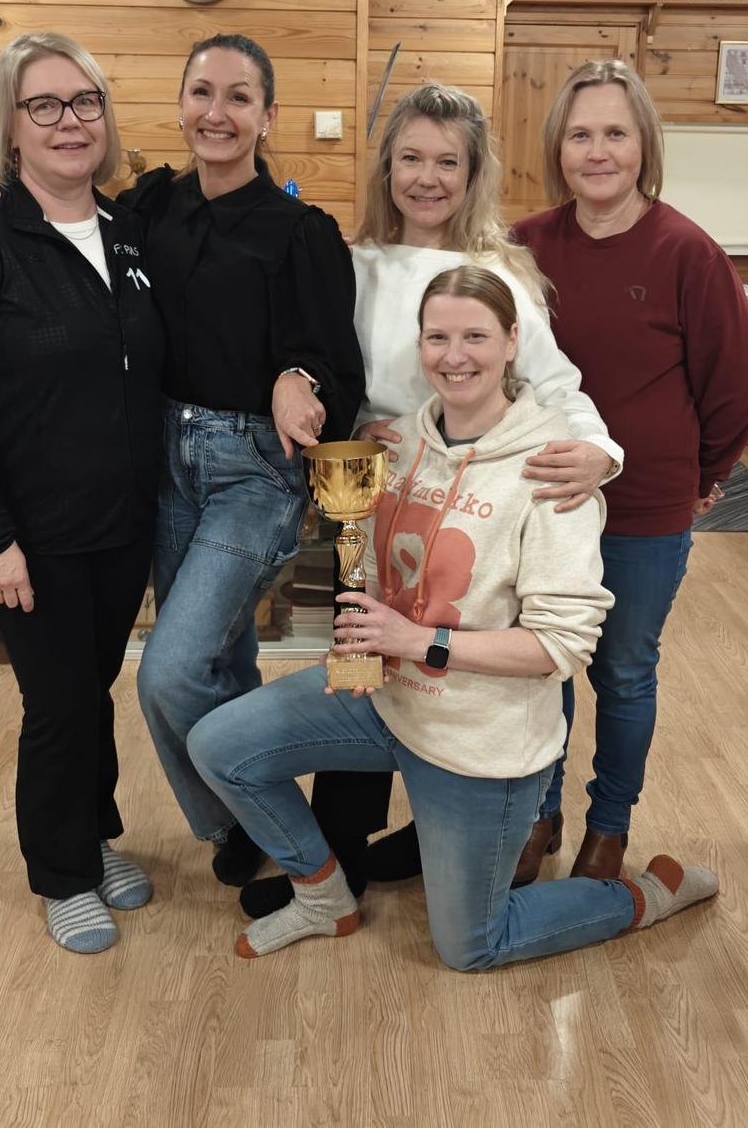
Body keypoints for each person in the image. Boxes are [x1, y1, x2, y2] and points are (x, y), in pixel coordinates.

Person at [185, 267, 719, 969]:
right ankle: (323, 897)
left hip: (480, 738)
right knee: (218, 744)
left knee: (470, 946)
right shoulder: (399, 445)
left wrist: (418, 640)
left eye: (476, 336)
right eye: (437, 337)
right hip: (387, 700)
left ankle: (648, 894)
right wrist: (361, 632)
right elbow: (369, 558)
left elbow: (561, 646)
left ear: (512, 342)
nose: (454, 355)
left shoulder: (554, 470)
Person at [0, 34, 365, 893]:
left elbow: (333, 361)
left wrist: (299, 377)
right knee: (220, 659)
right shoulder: (144, 211)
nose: (218, 113)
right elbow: (57, 228)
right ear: (179, 106)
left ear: (268, 116)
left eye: (239, 97)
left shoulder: (302, 232)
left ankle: (260, 821)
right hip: (161, 462)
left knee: (170, 671)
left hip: (250, 468)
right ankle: (244, 827)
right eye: (202, 92)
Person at [239, 82, 624, 919]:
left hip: (476, 504)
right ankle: (341, 852)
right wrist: (350, 422)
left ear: (473, 174)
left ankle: (470, 825)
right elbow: (322, 364)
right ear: (387, 167)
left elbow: (556, 384)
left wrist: (602, 450)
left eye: (448, 162)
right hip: (371, 492)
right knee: (363, 659)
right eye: (410, 158)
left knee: (467, 669)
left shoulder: (502, 275)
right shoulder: (353, 264)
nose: (427, 177)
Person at [0, 32, 165, 953]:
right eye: (45, 105)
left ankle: (92, 836)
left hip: (120, 521)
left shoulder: (128, 230)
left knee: (91, 688)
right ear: (10, 125)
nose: (70, 122)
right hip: (29, 532)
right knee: (57, 701)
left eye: (85, 102)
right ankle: (60, 873)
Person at [512, 59, 748, 881]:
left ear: (644, 144)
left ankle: (608, 825)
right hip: (544, 500)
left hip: (645, 509)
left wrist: (702, 477)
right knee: (542, 664)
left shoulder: (688, 252)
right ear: (558, 147)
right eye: (580, 134)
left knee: (622, 671)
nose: (598, 151)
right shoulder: (526, 247)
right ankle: (538, 811)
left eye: (615, 133)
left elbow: (736, 387)